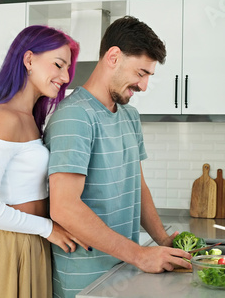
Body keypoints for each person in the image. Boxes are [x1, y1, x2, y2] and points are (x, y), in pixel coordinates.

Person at [43, 16, 192, 298]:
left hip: (122, 271)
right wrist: (140, 255)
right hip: (85, 281)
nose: (144, 86)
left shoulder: (129, 116)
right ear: (113, 57)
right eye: (141, 73)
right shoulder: (75, 115)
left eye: (148, 75)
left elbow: (138, 186)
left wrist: (163, 240)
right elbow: (64, 207)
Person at [0, 25, 88, 298]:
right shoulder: (3, 117)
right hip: (8, 251)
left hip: (33, 246)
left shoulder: (31, 119)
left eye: (68, 68)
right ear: (29, 59)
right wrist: (48, 228)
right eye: (58, 64)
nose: (65, 76)